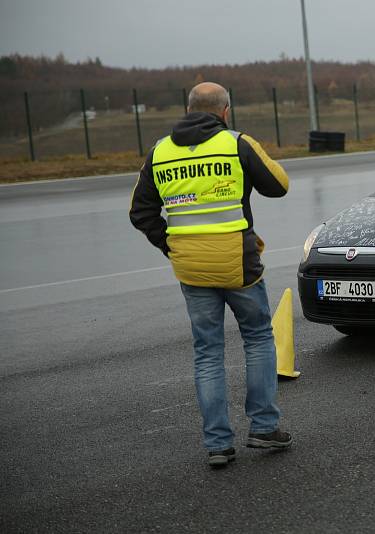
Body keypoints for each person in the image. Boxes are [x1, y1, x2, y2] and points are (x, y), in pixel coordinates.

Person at [130, 82, 292, 467]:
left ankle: (218, 444)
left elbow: (141, 212)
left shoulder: (160, 151)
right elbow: (279, 186)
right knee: (257, 338)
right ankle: (264, 428)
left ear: (188, 109)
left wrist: (169, 244)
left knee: (207, 352)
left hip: (190, 265)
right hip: (238, 263)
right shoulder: (236, 142)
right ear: (225, 111)